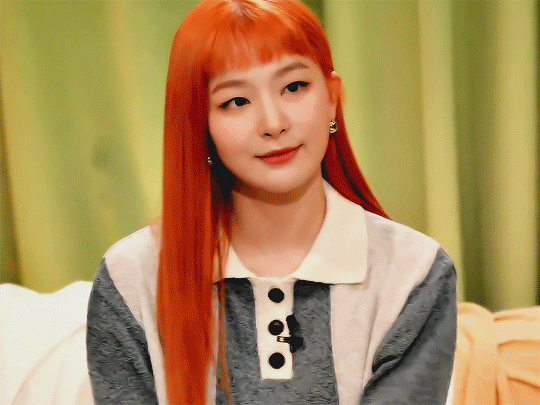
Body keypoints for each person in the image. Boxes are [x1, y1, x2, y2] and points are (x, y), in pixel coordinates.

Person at [86, 0, 457, 404]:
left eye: (294, 87)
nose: (273, 123)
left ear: (332, 98)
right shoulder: (132, 279)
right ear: (199, 124)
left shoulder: (413, 273)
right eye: (236, 101)